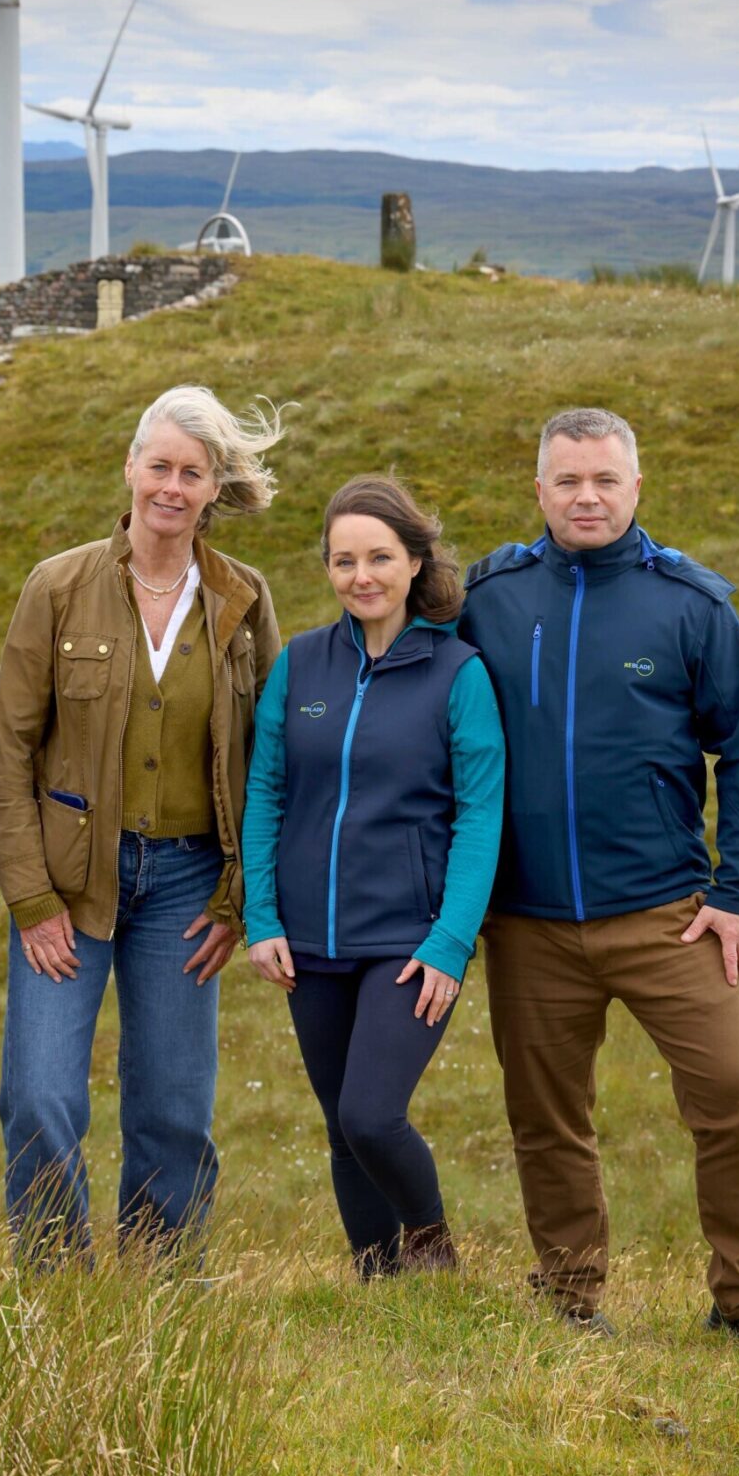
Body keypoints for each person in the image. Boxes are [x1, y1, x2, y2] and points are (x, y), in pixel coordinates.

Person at [458, 406, 739, 1363]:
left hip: (671, 915)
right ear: (537, 490)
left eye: (606, 480)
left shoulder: (691, 604)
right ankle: (570, 1297)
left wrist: (737, 891)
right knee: (547, 1116)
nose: (588, 496)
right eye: (568, 480)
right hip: (528, 920)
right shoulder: (489, 596)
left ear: (636, 488)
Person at [0, 385, 283, 1258]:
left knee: (174, 1104)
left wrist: (238, 897)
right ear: (131, 467)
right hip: (72, 884)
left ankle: (162, 1285)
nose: (173, 486)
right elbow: (6, 759)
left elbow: (269, 763)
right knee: (38, 1094)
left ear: (214, 487)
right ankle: (57, 1276)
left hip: (189, 882)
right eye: (160, 465)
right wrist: (31, 898)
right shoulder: (59, 586)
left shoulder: (243, 598)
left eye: (193, 472)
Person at [244, 476, 505, 1278]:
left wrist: (451, 942)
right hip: (308, 939)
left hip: (408, 941)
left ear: (416, 559)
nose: (362, 576)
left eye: (380, 557)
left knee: (371, 1112)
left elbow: (481, 815)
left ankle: (431, 1244)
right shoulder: (299, 665)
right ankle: (376, 1276)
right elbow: (265, 790)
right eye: (343, 560)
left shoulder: (458, 671)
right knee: (339, 1123)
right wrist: (261, 917)